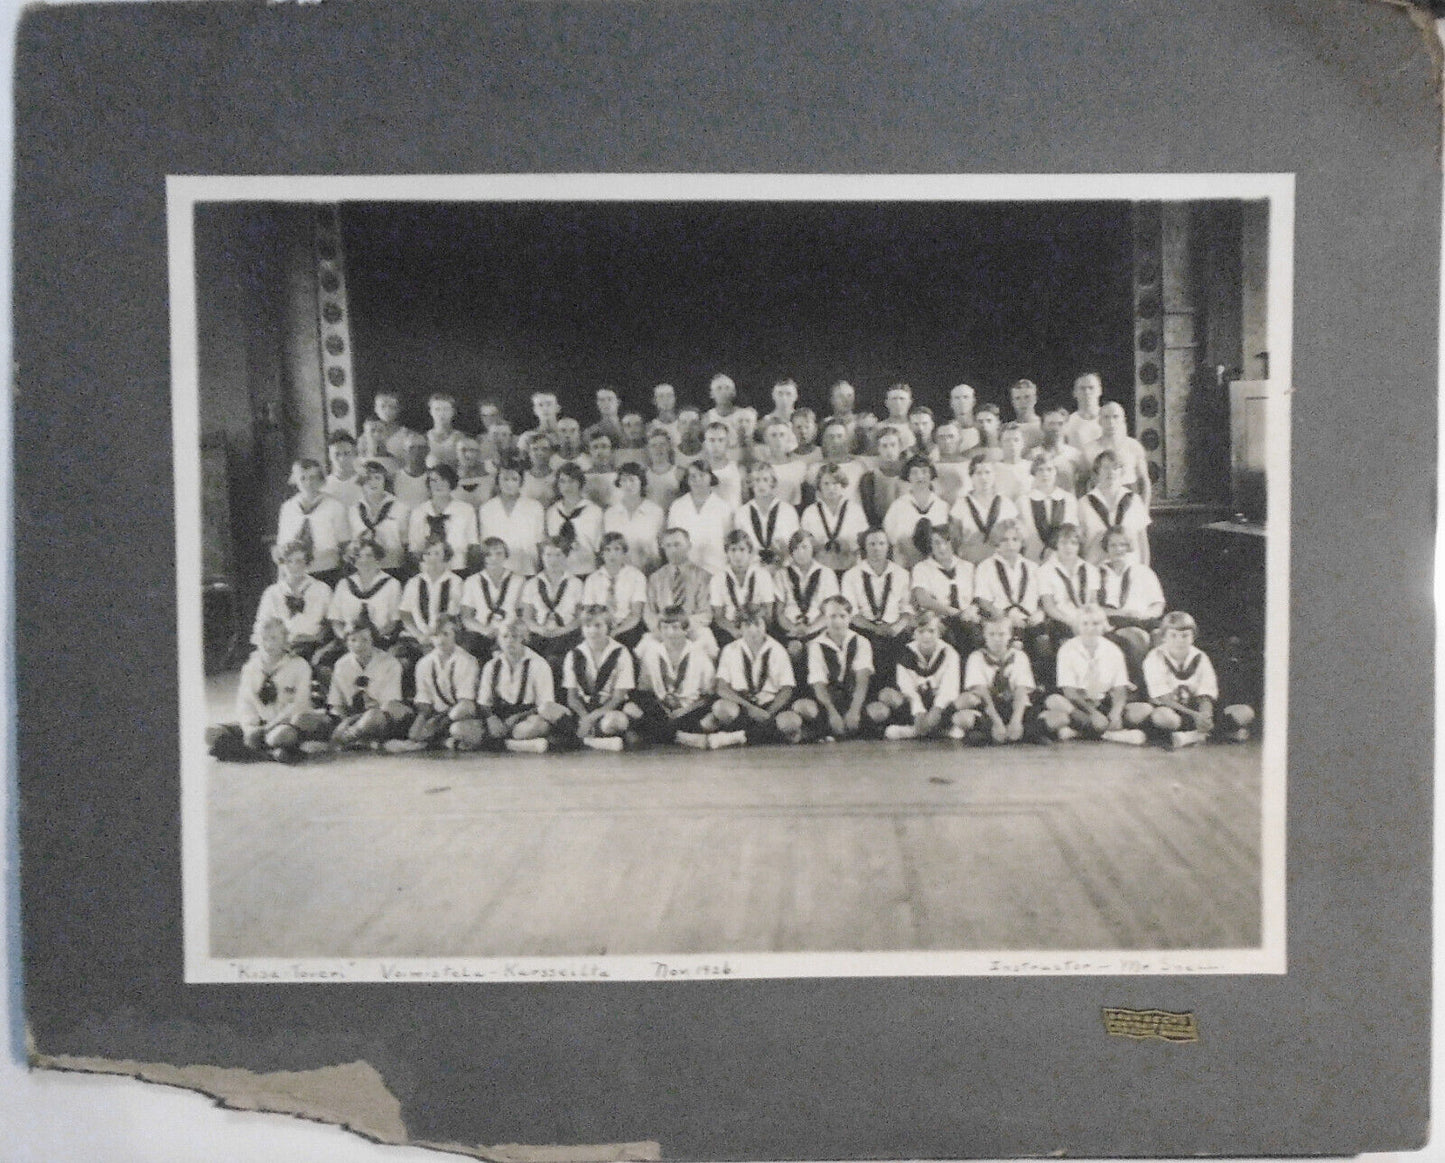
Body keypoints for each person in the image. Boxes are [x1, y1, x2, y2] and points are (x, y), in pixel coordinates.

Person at [1138, 610, 1256, 747]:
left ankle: (1193, 736)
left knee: (1246, 713)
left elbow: (1205, 694)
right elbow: (1164, 699)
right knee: (1163, 718)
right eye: (1173, 636)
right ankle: (1213, 734)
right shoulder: (1155, 657)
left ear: (1193, 637)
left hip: (1194, 708)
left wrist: (1206, 715)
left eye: (1185, 636)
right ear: (1163, 637)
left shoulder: (1200, 657)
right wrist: (1195, 716)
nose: (1179, 641)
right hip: (1171, 709)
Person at [206, 617, 314, 763]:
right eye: (263, 639)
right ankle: (272, 754)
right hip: (257, 724)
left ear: (285, 640)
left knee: (282, 736)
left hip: (281, 725)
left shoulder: (299, 665)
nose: (268, 644)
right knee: (209, 733)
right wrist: (249, 728)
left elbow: (299, 705)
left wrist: (268, 728)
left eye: (274, 638)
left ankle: (247, 752)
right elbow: (245, 703)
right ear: (256, 640)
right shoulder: (251, 667)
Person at [1038, 604, 1147, 745]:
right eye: (1085, 624)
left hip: (1103, 701)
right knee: (1054, 700)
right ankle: (1110, 735)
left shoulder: (1113, 650)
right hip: (1079, 704)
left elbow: (1120, 688)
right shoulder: (1067, 650)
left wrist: (1116, 712)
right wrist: (1092, 713)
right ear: (1078, 626)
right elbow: (1069, 692)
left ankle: (1078, 733)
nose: (1090, 628)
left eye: (1096, 624)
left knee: (1144, 710)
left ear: (1103, 626)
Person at [703, 604, 804, 748]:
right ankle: (759, 735)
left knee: (791, 722)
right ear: (739, 627)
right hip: (742, 704)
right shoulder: (730, 650)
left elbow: (786, 689)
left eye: (757, 624)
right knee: (721, 708)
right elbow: (721, 687)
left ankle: (737, 737)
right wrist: (749, 707)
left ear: (765, 625)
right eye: (746, 625)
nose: (753, 630)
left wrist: (768, 712)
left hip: (769, 707)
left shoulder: (777, 650)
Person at [453, 617, 559, 753]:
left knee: (539, 726)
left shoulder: (538, 664)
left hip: (524, 717)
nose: (509, 641)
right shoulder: (491, 666)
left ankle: (500, 744)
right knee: (457, 729)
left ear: (524, 638)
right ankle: (515, 745)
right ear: (499, 639)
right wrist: (491, 719)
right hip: (499, 716)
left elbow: (545, 705)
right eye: (505, 636)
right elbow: (484, 702)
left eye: (514, 637)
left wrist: (515, 719)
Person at [385, 615, 481, 752]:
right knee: (412, 731)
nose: (441, 640)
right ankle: (443, 742)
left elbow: (466, 703)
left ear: (455, 635)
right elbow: (424, 700)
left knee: (459, 728)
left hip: (459, 715)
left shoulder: (467, 661)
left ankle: (436, 740)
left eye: (446, 634)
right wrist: (421, 722)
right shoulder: (424, 663)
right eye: (436, 635)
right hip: (436, 714)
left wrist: (436, 724)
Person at [794, 595, 884, 740]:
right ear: (824, 619)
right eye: (832, 616)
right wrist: (832, 713)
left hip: (853, 698)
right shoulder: (816, 645)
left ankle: (833, 732)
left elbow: (862, 680)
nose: (837, 621)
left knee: (881, 711)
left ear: (849, 617)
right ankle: (839, 730)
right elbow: (818, 683)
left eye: (842, 616)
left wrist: (854, 711)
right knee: (802, 707)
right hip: (828, 699)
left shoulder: (861, 641)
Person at [315, 617, 409, 752]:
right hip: (351, 716)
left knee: (372, 717)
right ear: (346, 642)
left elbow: (388, 705)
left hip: (381, 717)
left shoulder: (389, 663)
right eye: (353, 640)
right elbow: (337, 702)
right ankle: (362, 741)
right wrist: (344, 720)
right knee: (317, 719)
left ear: (373, 640)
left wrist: (350, 725)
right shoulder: (342, 664)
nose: (359, 645)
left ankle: (343, 741)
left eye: (365, 640)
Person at [558, 605, 640, 752]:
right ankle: (598, 741)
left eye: (598, 626)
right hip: (583, 708)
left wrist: (592, 718)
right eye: (587, 626)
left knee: (615, 722)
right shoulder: (574, 654)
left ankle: (586, 739)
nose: (592, 631)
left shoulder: (621, 652)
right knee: (551, 712)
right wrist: (584, 717)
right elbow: (572, 698)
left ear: (608, 627)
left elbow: (618, 697)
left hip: (608, 706)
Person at [634, 607, 720, 746]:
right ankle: (681, 737)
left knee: (710, 716)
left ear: (685, 630)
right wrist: (662, 708)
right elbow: (645, 689)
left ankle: (665, 734)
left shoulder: (699, 653)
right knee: (633, 709)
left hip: (690, 708)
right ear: (659, 630)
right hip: (662, 710)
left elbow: (708, 693)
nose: (670, 633)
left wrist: (685, 709)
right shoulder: (651, 652)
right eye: (665, 628)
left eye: (675, 627)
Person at [840, 526, 914, 686]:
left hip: (893, 630)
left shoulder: (902, 574)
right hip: (864, 630)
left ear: (888, 547)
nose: (877, 548)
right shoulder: (851, 575)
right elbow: (851, 613)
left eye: (881, 543)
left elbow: (907, 608)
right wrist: (874, 629)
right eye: (872, 544)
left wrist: (897, 626)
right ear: (864, 547)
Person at [953, 615, 1038, 745]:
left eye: (1001, 634)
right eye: (991, 634)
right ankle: (999, 733)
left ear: (1010, 635)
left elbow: (1021, 691)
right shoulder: (976, 657)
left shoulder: (1020, 656)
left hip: (1013, 706)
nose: (996, 639)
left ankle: (1011, 732)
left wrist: (1016, 720)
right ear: (984, 636)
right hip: (989, 708)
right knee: (960, 719)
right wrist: (997, 722)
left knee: (1056, 719)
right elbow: (982, 693)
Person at [878, 611, 962, 741]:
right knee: (886, 694)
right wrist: (918, 712)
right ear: (913, 634)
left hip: (940, 705)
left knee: (964, 700)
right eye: (921, 631)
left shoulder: (949, 653)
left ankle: (914, 732)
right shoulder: (905, 653)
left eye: (931, 631)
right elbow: (907, 688)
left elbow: (949, 688)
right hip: (915, 704)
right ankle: (937, 731)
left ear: (939, 633)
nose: (926, 636)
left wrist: (937, 709)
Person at [971, 518, 1046, 662]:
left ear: (1021, 542)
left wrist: (1039, 613)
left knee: (1043, 641)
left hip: (1029, 620)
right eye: (1004, 540)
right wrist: (1006, 617)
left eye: (1015, 539)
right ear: (997, 543)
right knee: (1009, 643)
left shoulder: (1032, 567)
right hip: (1000, 619)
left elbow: (1042, 599)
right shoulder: (985, 567)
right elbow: (983, 601)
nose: (1010, 544)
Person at [1096, 525, 1166, 671]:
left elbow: (1158, 604)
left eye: (1123, 544)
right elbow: (1092, 607)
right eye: (1113, 545)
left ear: (1129, 547)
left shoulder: (1143, 571)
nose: (1118, 549)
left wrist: (1144, 615)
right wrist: (1122, 613)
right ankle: (1141, 686)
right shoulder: (1096, 573)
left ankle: (1161, 686)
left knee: (1161, 637)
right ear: (1106, 548)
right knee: (1139, 638)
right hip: (1114, 622)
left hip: (1143, 619)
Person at [643, 527, 717, 660]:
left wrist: (682, 626)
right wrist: (665, 628)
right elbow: (649, 613)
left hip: (693, 628)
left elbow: (706, 613)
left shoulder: (703, 576)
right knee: (646, 647)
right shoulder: (655, 578)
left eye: (677, 544)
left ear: (688, 546)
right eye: (668, 546)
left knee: (707, 644)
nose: (673, 550)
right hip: (663, 629)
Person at [394, 537, 465, 673]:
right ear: (422, 557)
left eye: (437, 553)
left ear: (445, 556)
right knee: (400, 659)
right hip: (417, 636)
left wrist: (433, 636)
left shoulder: (456, 582)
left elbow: (452, 615)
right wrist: (419, 635)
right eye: (428, 554)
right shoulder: (414, 582)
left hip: (444, 636)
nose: (432, 558)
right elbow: (405, 614)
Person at [251, 539, 332, 657]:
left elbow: (331, 622)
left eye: (299, 561)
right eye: (288, 561)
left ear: (307, 562)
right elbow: (261, 625)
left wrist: (316, 639)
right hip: (280, 648)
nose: (294, 566)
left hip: (313, 645)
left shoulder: (322, 589)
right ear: (281, 563)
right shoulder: (272, 593)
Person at [275, 458, 351, 583]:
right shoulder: (288, 507)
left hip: (327, 570)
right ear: (294, 480)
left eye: (313, 477)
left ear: (321, 479)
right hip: (296, 572)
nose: (308, 483)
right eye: (302, 478)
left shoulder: (334, 506)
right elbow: (283, 547)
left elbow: (344, 545)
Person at [909, 525, 979, 657]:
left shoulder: (968, 567)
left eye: (947, 541)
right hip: (940, 619)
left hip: (968, 620)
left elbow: (978, 597)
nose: (942, 547)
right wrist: (955, 613)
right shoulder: (922, 568)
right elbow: (923, 600)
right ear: (930, 545)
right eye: (936, 543)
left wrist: (972, 611)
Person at [775, 529, 840, 667]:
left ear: (813, 548)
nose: (800, 552)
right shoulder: (782, 574)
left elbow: (829, 611)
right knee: (792, 652)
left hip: (818, 628)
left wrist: (809, 630)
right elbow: (779, 612)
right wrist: (793, 629)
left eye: (804, 547)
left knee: (817, 652)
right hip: (791, 629)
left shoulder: (826, 574)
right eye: (795, 548)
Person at [518, 537, 584, 668]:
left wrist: (562, 630)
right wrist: (540, 629)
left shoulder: (576, 583)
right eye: (548, 555)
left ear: (566, 556)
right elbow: (527, 616)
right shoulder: (532, 584)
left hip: (567, 633)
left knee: (556, 660)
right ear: (542, 557)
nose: (553, 560)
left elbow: (580, 617)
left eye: (558, 555)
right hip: (540, 633)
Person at [1079, 449, 1151, 565]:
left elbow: (1142, 540)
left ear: (1121, 472)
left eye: (1115, 468)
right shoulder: (1084, 503)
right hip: (1097, 567)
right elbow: (1080, 544)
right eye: (1105, 468)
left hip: (1129, 566)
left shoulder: (1134, 500)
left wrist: (1144, 569)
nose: (1110, 472)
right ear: (1097, 472)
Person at [459, 536, 523, 664]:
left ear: (506, 555)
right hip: (481, 632)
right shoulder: (472, 581)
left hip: (510, 631)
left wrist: (508, 629)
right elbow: (466, 617)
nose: (494, 558)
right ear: (483, 557)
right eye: (488, 554)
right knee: (470, 654)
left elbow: (522, 614)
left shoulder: (518, 580)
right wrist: (484, 630)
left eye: (499, 553)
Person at [709, 529, 779, 646]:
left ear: (750, 551)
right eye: (733, 550)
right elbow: (719, 616)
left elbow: (768, 611)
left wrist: (751, 627)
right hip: (730, 629)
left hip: (757, 625)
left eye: (742, 549)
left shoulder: (762, 575)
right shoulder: (718, 578)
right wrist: (734, 631)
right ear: (727, 552)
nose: (737, 555)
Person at [406, 464, 479, 573]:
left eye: (443, 480)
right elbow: (414, 548)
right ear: (428, 484)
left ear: (451, 482)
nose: (438, 484)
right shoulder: (419, 512)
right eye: (434, 480)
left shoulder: (466, 510)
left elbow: (473, 545)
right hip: (427, 571)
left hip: (458, 568)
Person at [477, 462, 547, 576]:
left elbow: (540, 543)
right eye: (505, 479)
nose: (509, 484)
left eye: (514, 479)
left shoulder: (535, 507)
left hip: (527, 568)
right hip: (497, 569)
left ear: (521, 482)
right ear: (497, 481)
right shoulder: (487, 508)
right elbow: (485, 544)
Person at [666, 461, 735, 576]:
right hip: (685, 572)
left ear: (710, 478)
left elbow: (729, 544)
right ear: (687, 480)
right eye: (692, 476)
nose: (697, 480)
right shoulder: (677, 506)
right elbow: (671, 541)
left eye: (702, 475)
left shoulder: (723, 508)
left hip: (716, 570)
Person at [581, 532, 648, 648]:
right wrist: (601, 631)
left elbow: (635, 615)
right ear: (602, 554)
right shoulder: (592, 579)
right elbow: (588, 613)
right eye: (607, 550)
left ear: (624, 553)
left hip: (627, 627)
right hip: (598, 627)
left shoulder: (637, 576)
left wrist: (615, 632)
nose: (612, 554)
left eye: (617, 549)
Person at [882, 455, 950, 570]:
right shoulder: (897, 507)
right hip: (905, 566)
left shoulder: (942, 506)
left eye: (924, 472)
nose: (920, 476)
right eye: (914, 472)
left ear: (931, 475)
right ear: (908, 477)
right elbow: (891, 539)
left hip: (936, 568)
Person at [799, 462, 868, 575]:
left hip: (850, 568)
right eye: (826, 483)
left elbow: (864, 540)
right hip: (820, 571)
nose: (831, 488)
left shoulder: (855, 510)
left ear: (842, 484)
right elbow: (804, 542)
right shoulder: (810, 512)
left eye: (835, 483)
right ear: (819, 486)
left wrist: (850, 545)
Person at [1037, 524, 1101, 643]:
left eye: (1073, 543)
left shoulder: (1090, 569)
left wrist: (1093, 619)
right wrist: (1071, 621)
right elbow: (1049, 607)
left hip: (1087, 620)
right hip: (1060, 621)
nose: (1068, 547)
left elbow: (1093, 601)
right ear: (1056, 544)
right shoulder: (1045, 570)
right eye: (1063, 543)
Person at [950, 457, 1019, 565]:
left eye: (987, 472)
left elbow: (1016, 538)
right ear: (971, 477)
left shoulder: (1006, 503)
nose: (983, 477)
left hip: (1001, 564)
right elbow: (955, 542)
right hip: (971, 563)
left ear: (994, 475)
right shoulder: (960, 505)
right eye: (978, 473)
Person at [1083, 400, 1152, 506]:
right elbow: (1086, 482)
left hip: (1130, 502)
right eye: (1106, 417)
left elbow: (1144, 480)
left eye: (1115, 417)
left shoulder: (1134, 446)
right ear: (1099, 421)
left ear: (1123, 420)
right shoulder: (1090, 449)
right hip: (1100, 503)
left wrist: (1144, 510)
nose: (1111, 422)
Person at [603, 463, 666, 574]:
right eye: (624, 480)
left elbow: (663, 547)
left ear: (641, 481)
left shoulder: (655, 511)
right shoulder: (610, 513)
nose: (628, 484)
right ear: (619, 483)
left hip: (650, 572)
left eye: (632, 480)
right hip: (620, 574)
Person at [545, 462, 605, 577]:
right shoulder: (552, 512)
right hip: (559, 573)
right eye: (562, 481)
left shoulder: (594, 511)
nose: (567, 486)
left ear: (580, 483)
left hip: (586, 571)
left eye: (572, 481)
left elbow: (599, 548)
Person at [736, 462, 800, 566]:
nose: (761, 485)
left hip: (782, 568)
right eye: (757, 480)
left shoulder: (788, 511)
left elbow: (795, 545)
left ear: (773, 482)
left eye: (765, 480)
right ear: (751, 483)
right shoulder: (742, 513)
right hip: (753, 569)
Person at [1017, 455, 1079, 561]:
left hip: (1062, 559)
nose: (1045, 474)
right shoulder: (1023, 501)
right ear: (1034, 473)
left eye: (1049, 469)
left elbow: (1073, 530)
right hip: (1032, 559)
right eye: (1040, 470)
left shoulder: (1069, 499)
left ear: (1055, 472)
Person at [859, 427, 908, 527]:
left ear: (900, 447)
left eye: (893, 445)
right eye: (884, 446)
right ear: (878, 449)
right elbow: (870, 514)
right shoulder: (869, 479)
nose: (889, 450)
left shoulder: (910, 475)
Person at [754, 417, 809, 507]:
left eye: (782, 435)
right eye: (773, 435)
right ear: (766, 439)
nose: (778, 440)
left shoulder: (799, 466)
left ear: (788, 438)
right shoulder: (759, 468)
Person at [1034, 406, 1088, 496]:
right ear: (1042, 426)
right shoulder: (1033, 455)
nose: (1056, 428)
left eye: (1060, 423)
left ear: (1066, 426)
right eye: (1051, 424)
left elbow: (1083, 486)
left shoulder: (1076, 455)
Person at [703, 373, 757, 454]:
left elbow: (751, 444)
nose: (723, 392)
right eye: (719, 388)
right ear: (711, 394)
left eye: (727, 388)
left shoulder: (745, 415)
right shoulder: (706, 418)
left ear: (734, 392)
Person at [698, 420, 746, 508]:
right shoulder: (697, 472)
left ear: (727, 443)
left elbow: (746, 502)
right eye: (711, 440)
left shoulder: (739, 469)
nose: (716, 445)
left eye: (721, 440)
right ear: (705, 444)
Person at [641, 426, 684, 511]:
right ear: (648, 449)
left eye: (662, 444)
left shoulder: (679, 473)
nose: (658, 449)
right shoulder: (643, 474)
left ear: (669, 447)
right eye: (653, 445)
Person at [369, 389, 417, 461]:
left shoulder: (408, 435)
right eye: (383, 406)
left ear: (399, 409)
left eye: (392, 407)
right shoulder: (367, 434)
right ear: (376, 409)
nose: (387, 411)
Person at [931, 421, 972, 505]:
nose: (947, 441)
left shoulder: (971, 466)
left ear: (960, 439)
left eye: (951, 436)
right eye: (941, 437)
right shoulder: (930, 468)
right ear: (935, 440)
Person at [755, 378, 800, 454]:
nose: (784, 398)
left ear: (796, 396)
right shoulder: (763, 424)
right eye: (780, 394)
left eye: (788, 394)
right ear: (773, 396)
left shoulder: (802, 421)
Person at [391, 432, 433, 509]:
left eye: (421, 448)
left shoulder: (434, 477)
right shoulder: (394, 478)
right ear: (404, 451)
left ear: (427, 451)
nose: (416, 452)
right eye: (412, 448)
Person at [1064, 372, 1104, 451]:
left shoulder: (1111, 418)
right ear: (1074, 393)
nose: (1087, 392)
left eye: (1091, 387)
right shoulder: (1068, 422)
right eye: (1082, 388)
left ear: (1100, 390)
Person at [323, 430, 364, 508]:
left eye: (347, 453)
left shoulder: (365, 482)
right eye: (337, 454)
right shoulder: (324, 485)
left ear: (354, 453)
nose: (342, 459)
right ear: (330, 456)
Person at [993, 422, 1032, 503]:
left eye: (1016, 440)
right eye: (1007, 440)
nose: (1012, 444)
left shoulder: (1031, 467)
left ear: (1023, 443)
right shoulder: (993, 469)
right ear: (1000, 444)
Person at [875, 382, 917, 454]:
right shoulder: (878, 428)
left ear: (910, 402)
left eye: (902, 399)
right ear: (886, 403)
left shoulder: (917, 427)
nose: (898, 403)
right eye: (894, 399)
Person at [454, 435, 494, 510]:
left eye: (472, 450)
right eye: (463, 450)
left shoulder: (490, 474)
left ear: (479, 453)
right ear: (456, 453)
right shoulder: (449, 475)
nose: (468, 454)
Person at [424, 392, 463, 468]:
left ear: (453, 412)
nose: (441, 414)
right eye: (437, 409)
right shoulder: (424, 439)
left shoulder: (461, 438)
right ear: (431, 412)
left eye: (446, 409)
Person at [582, 430, 621, 508]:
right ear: (589, 452)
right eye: (595, 447)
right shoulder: (583, 478)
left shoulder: (621, 476)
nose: (600, 452)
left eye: (604, 446)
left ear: (611, 451)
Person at [520, 431, 559, 506]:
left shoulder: (557, 477)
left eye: (544, 449)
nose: (540, 453)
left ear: (551, 452)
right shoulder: (522, 476)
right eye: (535, 449)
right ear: (529, 453)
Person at [518, 389, 561, 454]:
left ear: (558, 407)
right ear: (534, 410)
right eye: (540, 405)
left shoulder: (570, 434)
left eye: (549, 404)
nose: (545, 409)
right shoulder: (526, 437)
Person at [1006, 378, 1044, 450]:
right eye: (1017, 398)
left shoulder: (1044, 427)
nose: (1023, 402)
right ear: (1012, 402)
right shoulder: (1006, 429)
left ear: (1035, 399)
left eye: (1027, 397)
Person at [947, 382, 982, 452]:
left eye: (966, 397)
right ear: (951, 403)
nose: (961, 401)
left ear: (973, 402)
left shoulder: (982, 426)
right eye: (957, 398)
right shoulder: (945, 430)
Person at [650, 382, 681, 446]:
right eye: (661, 396)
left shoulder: (684, 423)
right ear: (654, 401)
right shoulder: (650, 428)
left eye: (669, 395)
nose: (666, 399)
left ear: (675, 398)